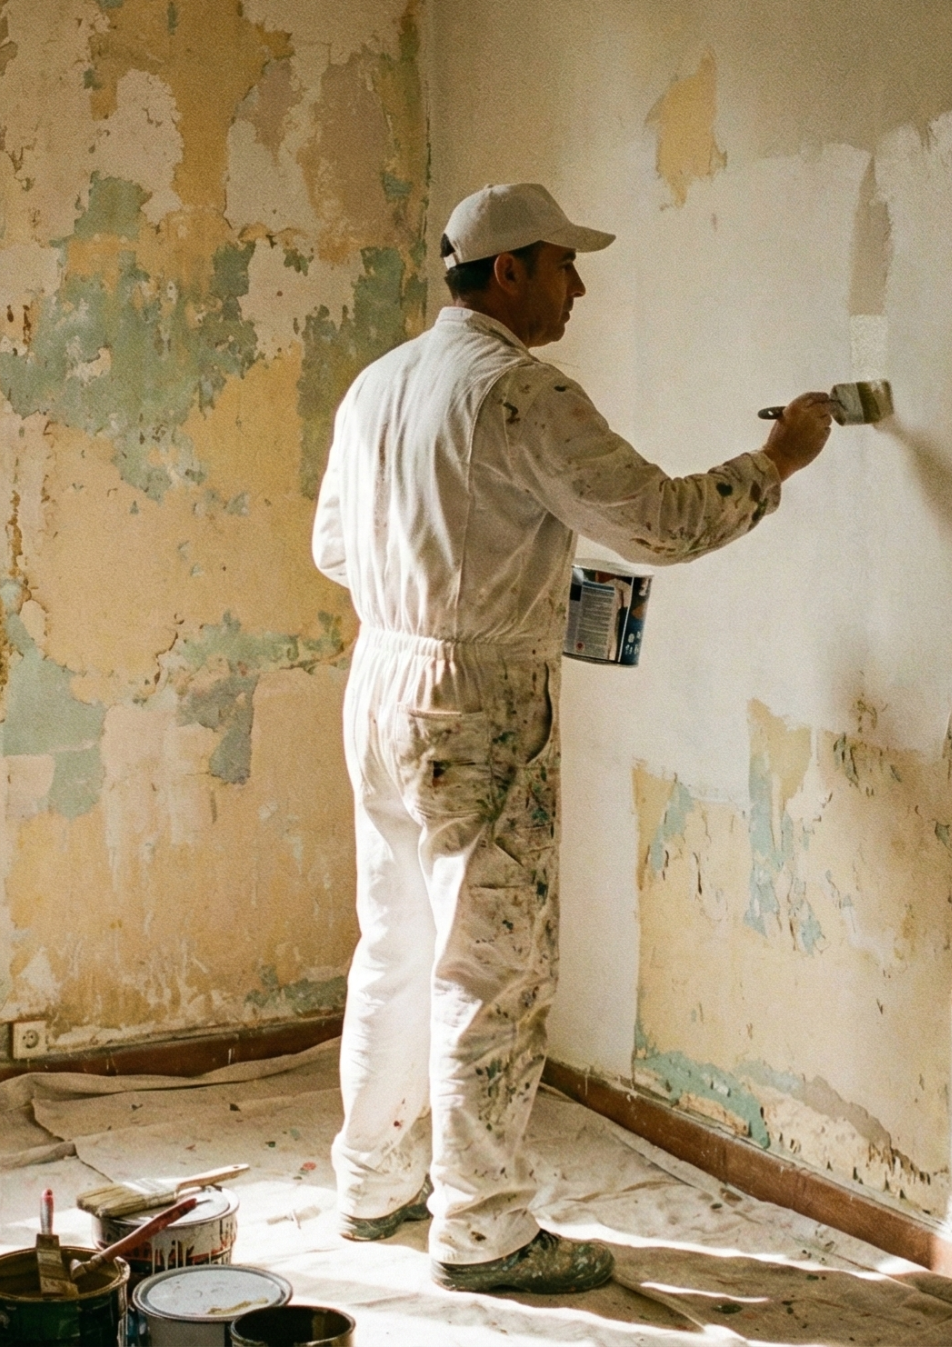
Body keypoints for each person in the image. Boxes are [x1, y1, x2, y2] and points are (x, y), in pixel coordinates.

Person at [311, 182, 835, 1294]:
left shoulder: (377, 385)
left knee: (397, 943)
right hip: (477, 695)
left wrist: (443, 586)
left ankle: (369, 1181)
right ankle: (486, 1227)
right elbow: (661, 520)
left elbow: (331, 550)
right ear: (509, 271)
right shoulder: (520, 394)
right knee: (491, 969)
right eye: (562, 264)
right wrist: (778, 460)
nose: (578, 286)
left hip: (381, 675)